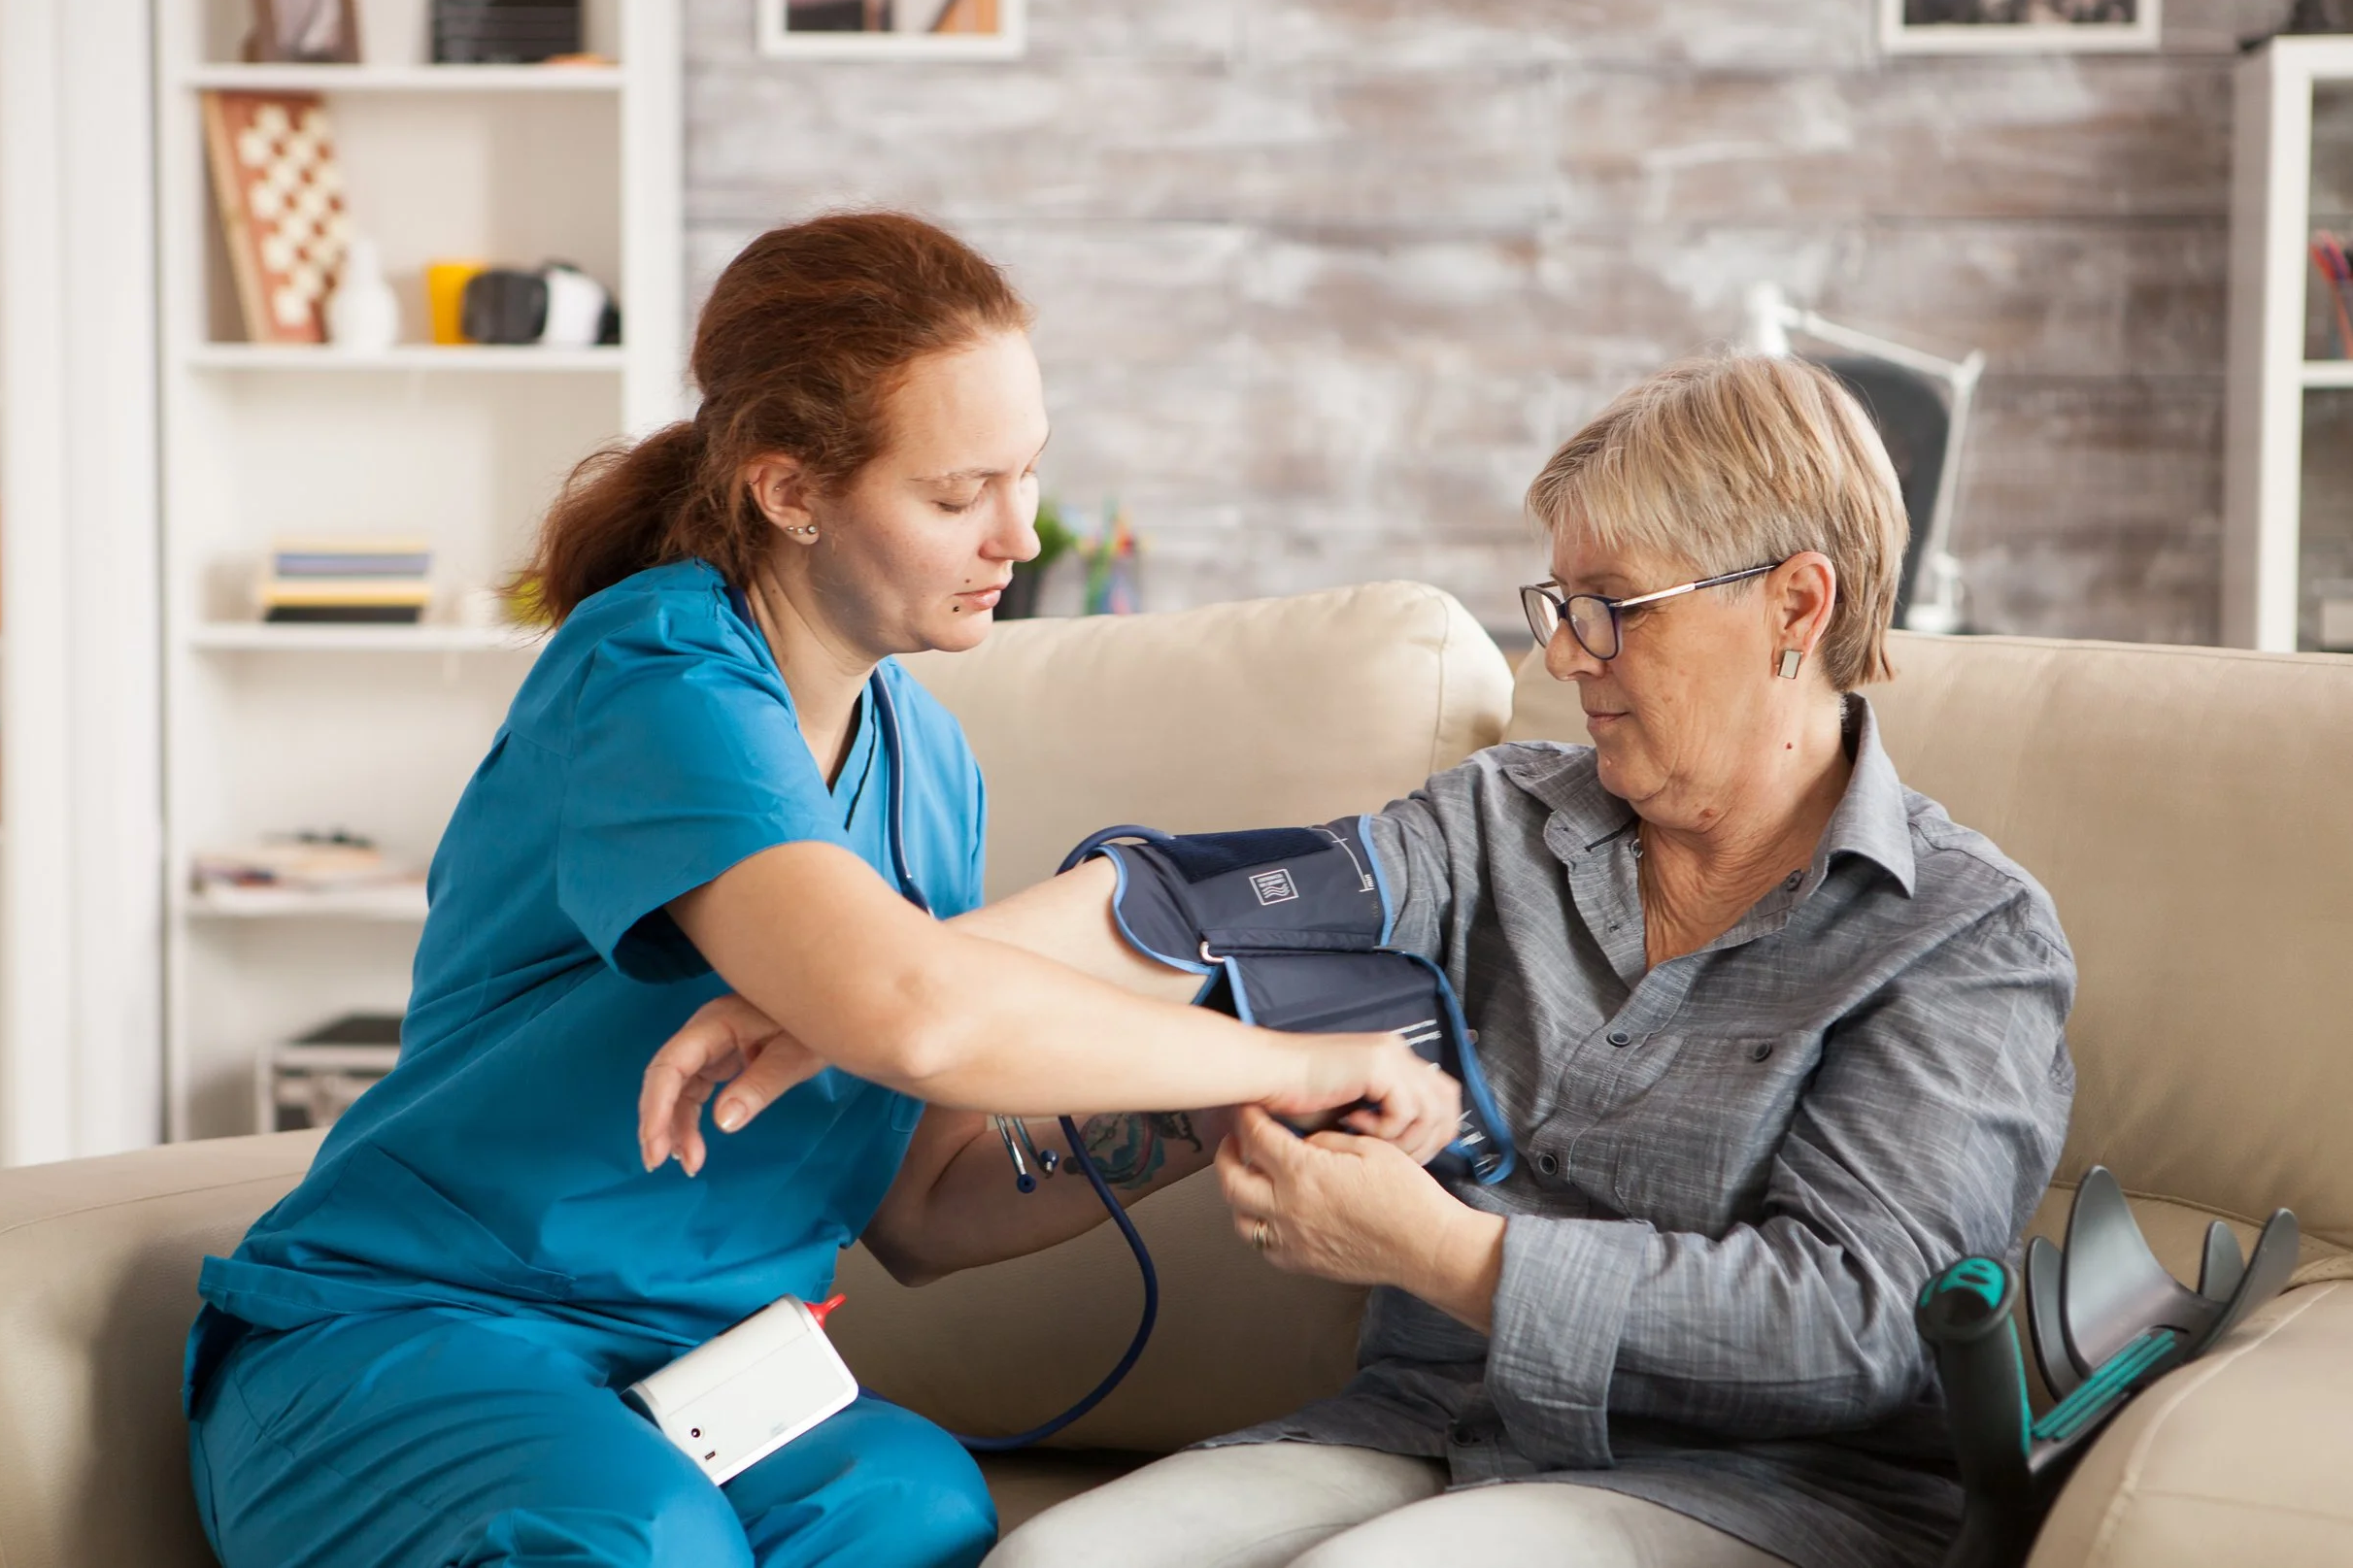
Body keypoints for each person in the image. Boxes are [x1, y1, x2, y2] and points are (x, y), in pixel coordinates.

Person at [180, 212, 1462, 1568]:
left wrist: (1209, 1112)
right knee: (636, 1536)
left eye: (1028, 476)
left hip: (698, 1378)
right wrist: (1287, 1051)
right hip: (420, 1338)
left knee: (910, 1502)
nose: (1018, 535)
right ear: (790, 491)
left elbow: (925, 1204)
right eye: (958, 492)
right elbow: (908, 1009)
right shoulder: (657, 686)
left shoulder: (929, 759)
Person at [649, 352, 2077, 1568]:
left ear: (1797, 604)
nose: (1572, 654)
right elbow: (1183, 906)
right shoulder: (1502, 817)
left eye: (1615, 607)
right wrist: (846, 999)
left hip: (1759, 1489)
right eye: (1558, 604)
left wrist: (1448, 1254)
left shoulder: (1961, 936)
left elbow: (1857, 1326)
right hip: (1416, 1431)